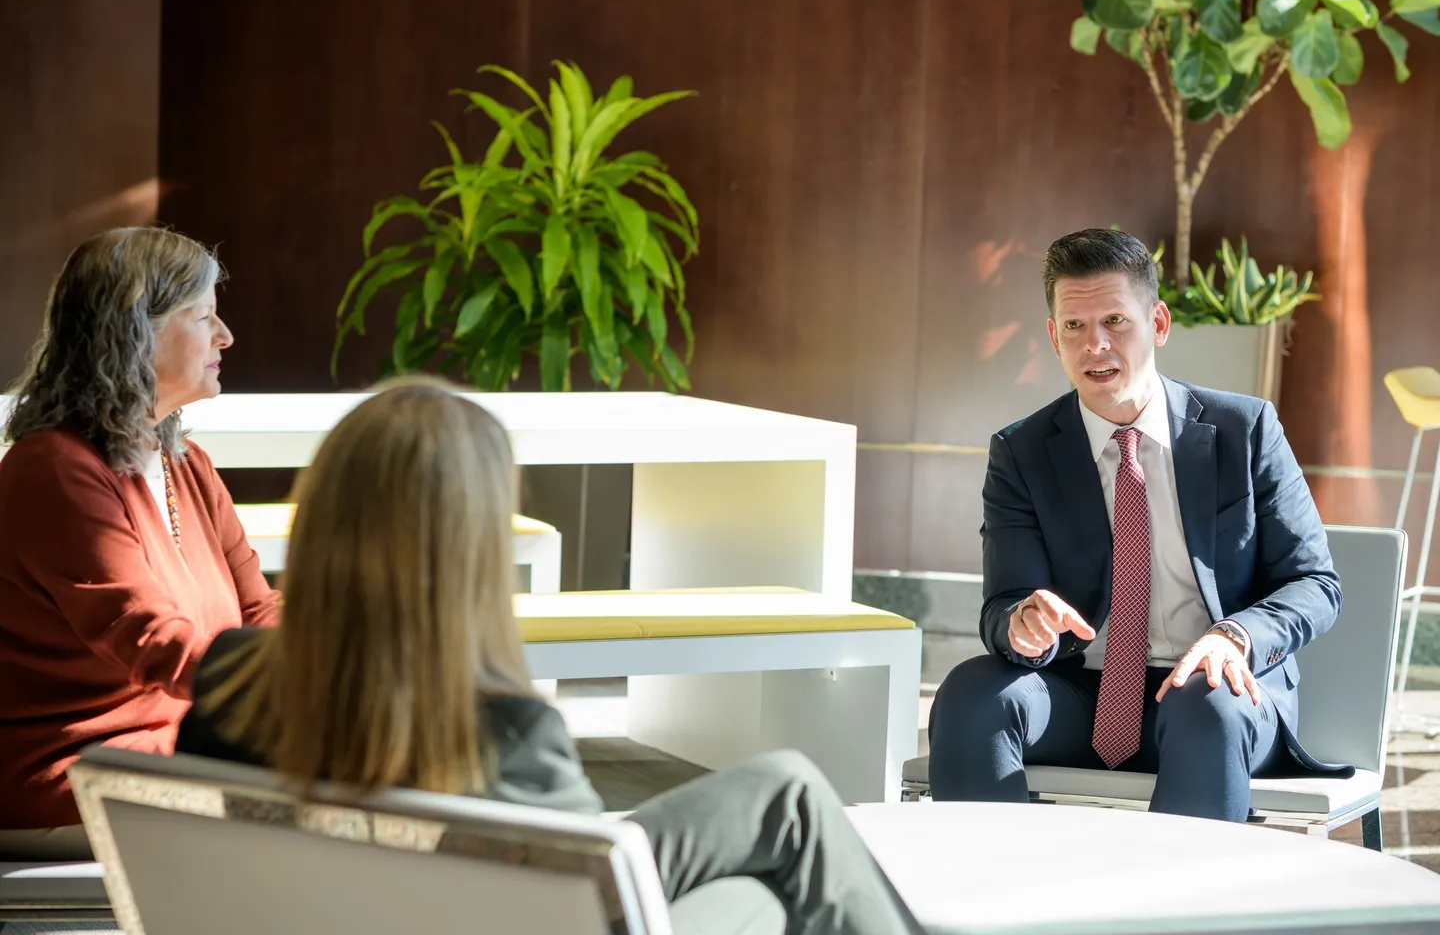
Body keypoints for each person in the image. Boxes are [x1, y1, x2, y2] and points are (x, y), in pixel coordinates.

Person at [175, 378, 923, 935]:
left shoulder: (230, 678)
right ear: (472, 548)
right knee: (773, 854)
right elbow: (592, 906)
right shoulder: (507, 734)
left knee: (779, 813)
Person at [927, 228, 1344, 823]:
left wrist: (1234, 637)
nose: (1094, 344)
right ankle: (989, 882)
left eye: (1115, 321)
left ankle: (1177, 888)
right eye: (1074, 326)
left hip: (1216, 692)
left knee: (1207, 702)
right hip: (1080, 695)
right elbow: (1005, 605)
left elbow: (1315, 584)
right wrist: (1022, 624)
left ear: (1158, 323)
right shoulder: (1021, 452)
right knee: (971, 694)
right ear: (1054, 336)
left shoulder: (1244, 430)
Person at [0, 227, 280, 860]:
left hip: (174, 753)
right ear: (134, 331)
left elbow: (258, 607)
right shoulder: (55, 469)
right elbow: (153, 642)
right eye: (204, 317)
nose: (225, 336)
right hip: (69, 773)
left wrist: (327, 658)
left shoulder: (187, 465)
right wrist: (308, 686)